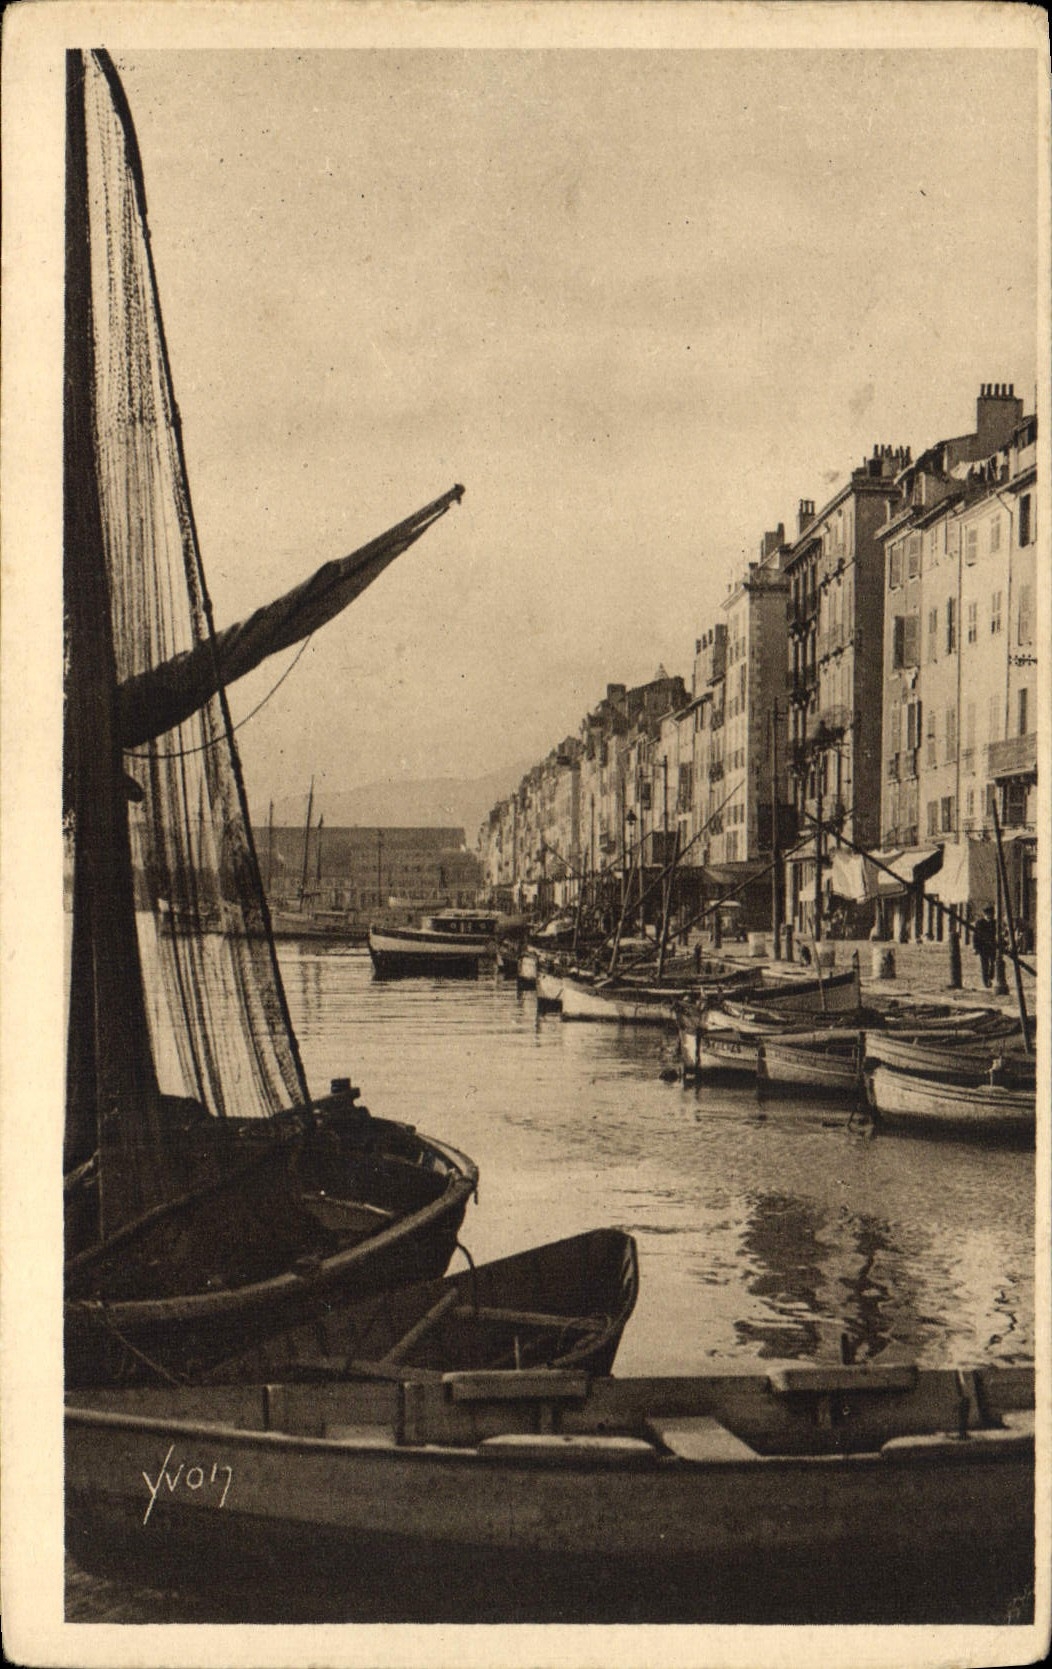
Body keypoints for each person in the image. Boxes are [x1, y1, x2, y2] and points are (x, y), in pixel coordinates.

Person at [972, 905, 997, 989]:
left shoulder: (995, 923)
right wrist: (975, 947)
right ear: (985, 914)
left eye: (992, 914)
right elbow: (975, 936)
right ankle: (986, 982)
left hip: (993, 947)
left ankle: (990, 977)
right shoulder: (980, 923)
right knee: (985, 965)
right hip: (983, 947)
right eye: (988, 914)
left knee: (993, 963)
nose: (990, 916)